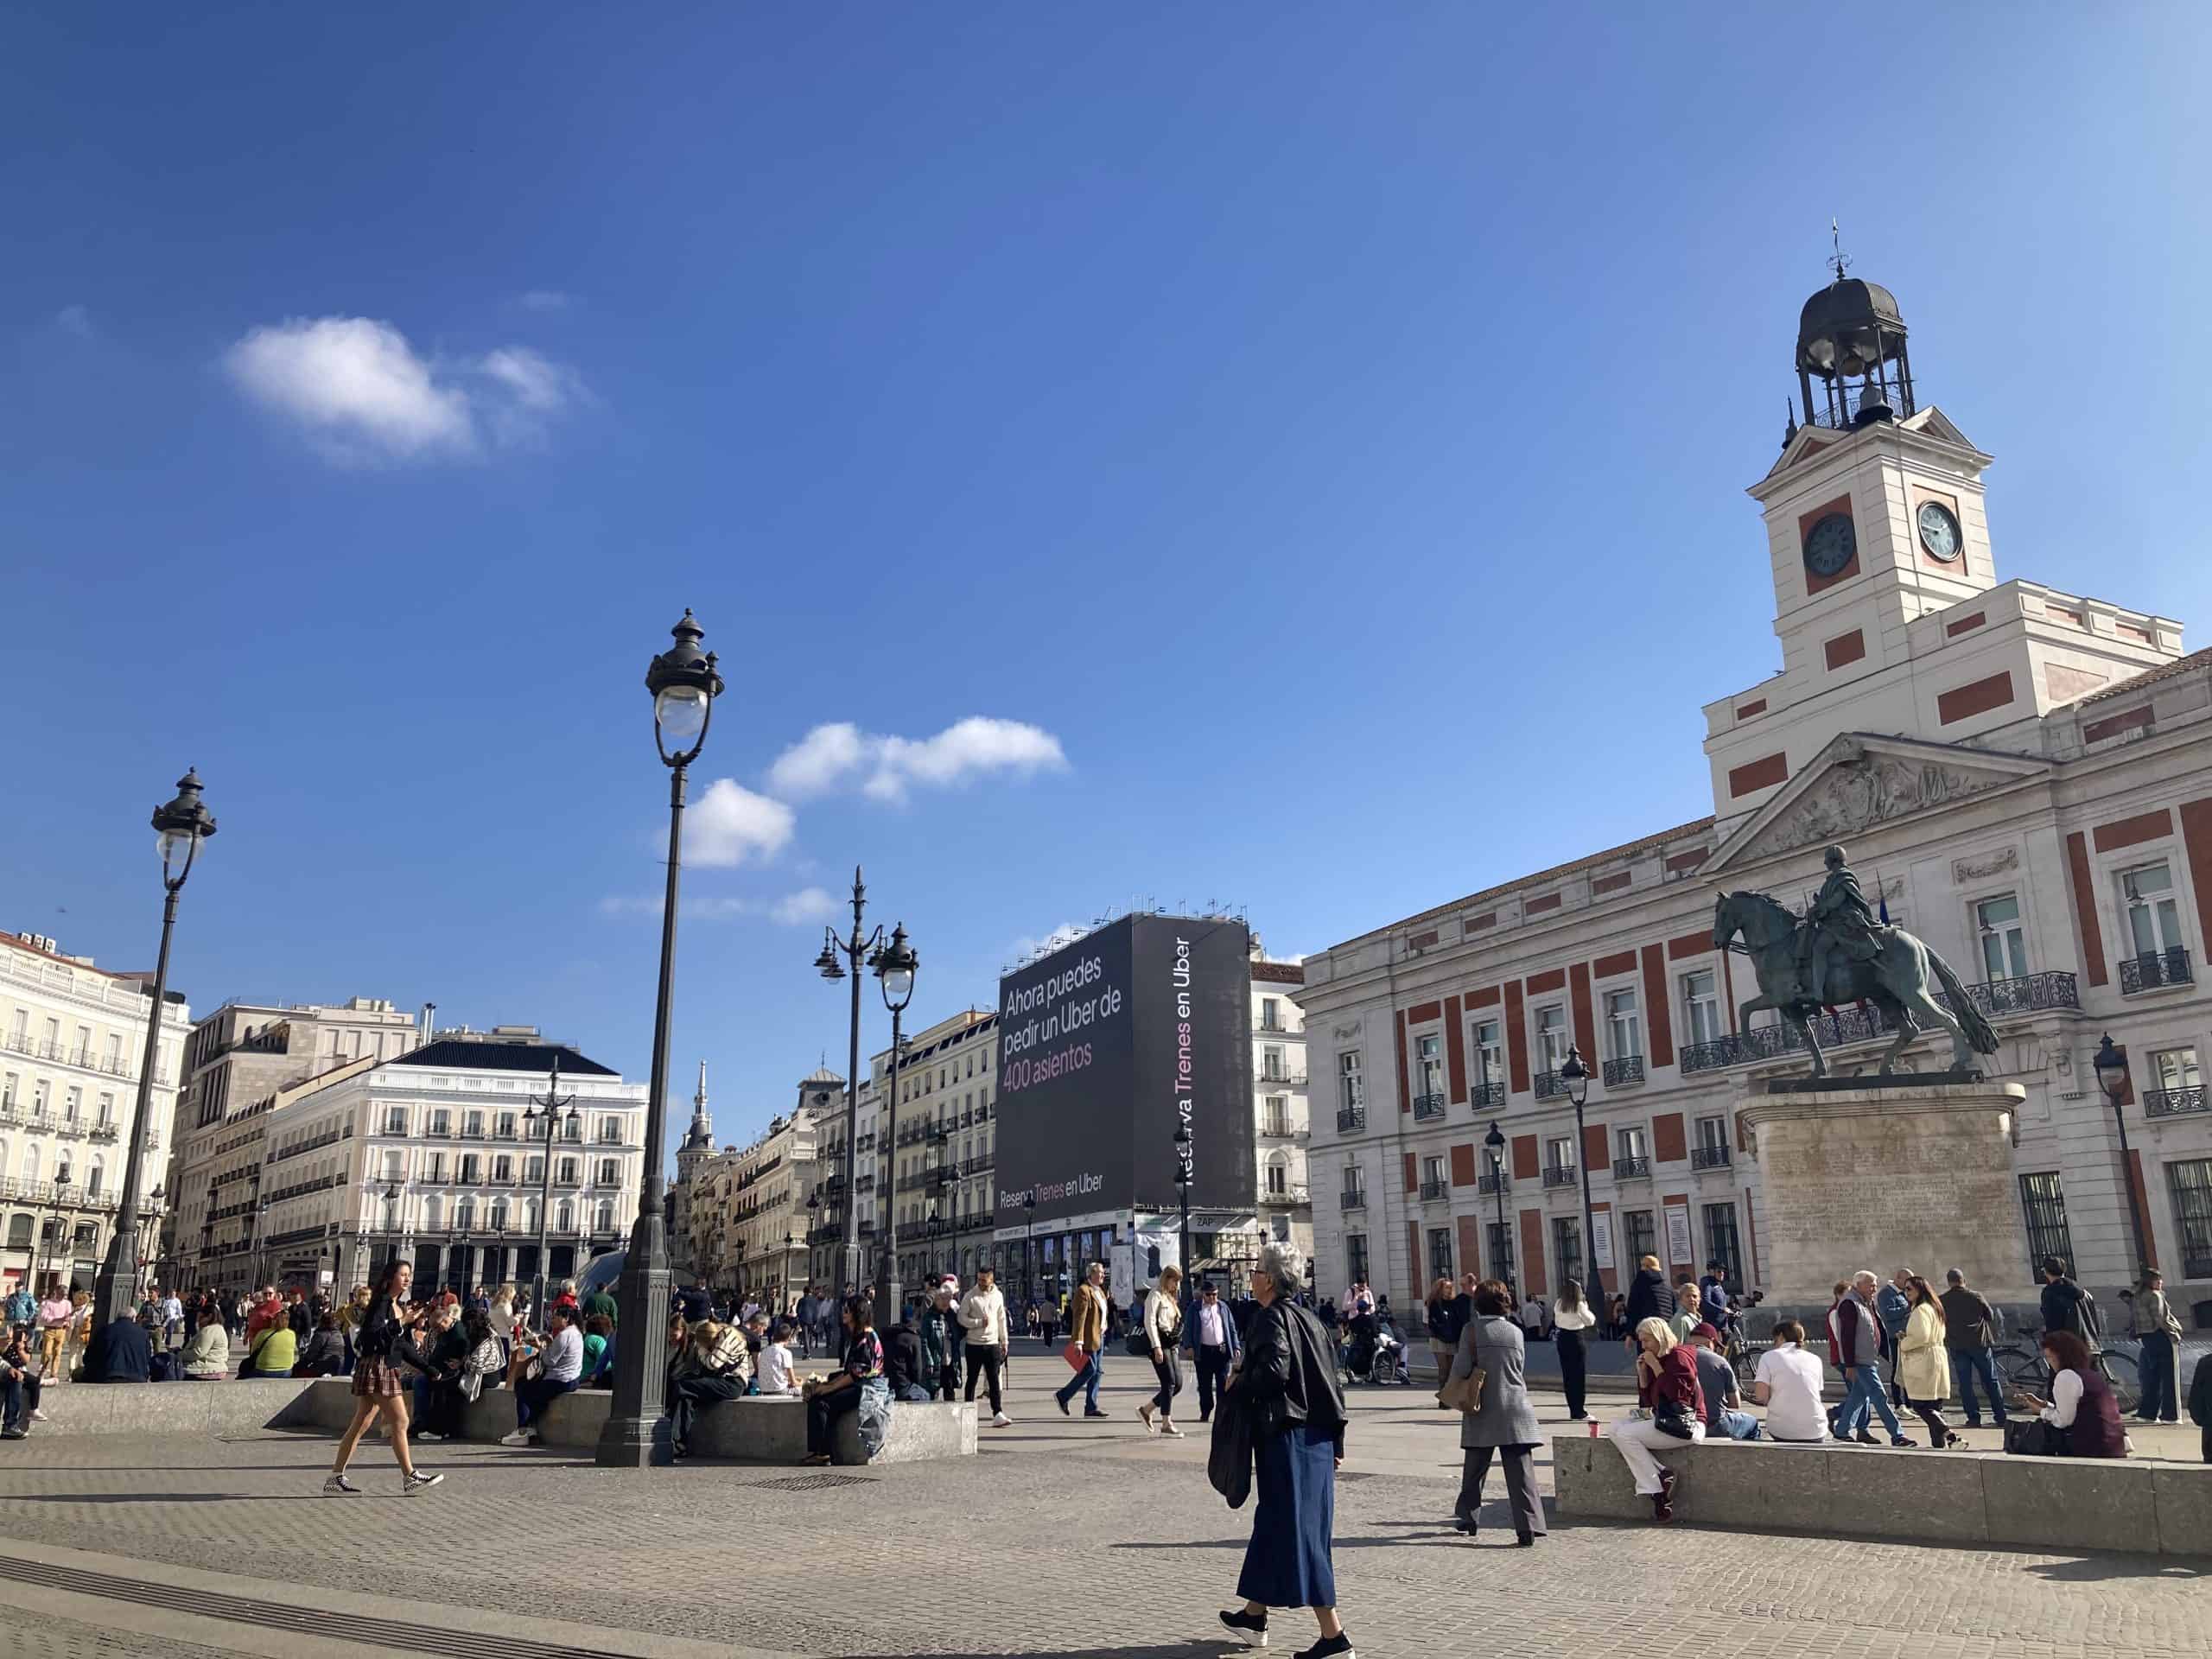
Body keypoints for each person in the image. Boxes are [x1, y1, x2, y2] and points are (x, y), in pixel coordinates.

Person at [1217, 1244, 1354, 1659]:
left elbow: (1275, 1373)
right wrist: (1337, 1442)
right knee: (1276, 1525)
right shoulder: (1312, 1320)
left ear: (1271, 1280)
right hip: (1317, 1440)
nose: (1253, 1275)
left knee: (1300, 1533)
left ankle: (1334, 1637)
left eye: (1257, 1270)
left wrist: (1237, 1381)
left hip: (1288, 1439)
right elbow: (1333, 1385)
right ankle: (1253, 1616)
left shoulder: (1271, 1317)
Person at [325, 1260, 442, 1496]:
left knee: (361, 1423)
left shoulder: (397, 1306)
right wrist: (401, 1322)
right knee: (400, 1421)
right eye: (403, 1274)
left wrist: (429, 1368)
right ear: (390, 1278)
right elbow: (371, 1336)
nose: (407, 1279)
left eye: (409, 1274)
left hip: (383, 1367)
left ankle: (335, 1478)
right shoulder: (381, 1303)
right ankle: (410, 1476)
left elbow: (402, 1346)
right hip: (377, 1366)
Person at [1448, 1279, 1545, 1545]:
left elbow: (1461, 1369)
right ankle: (1528, 1527)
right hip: (1516, 1405)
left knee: (1475, 1467)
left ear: (1477, 1304)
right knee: (1521, 1472)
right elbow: (1518, 1367)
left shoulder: (1471, 1330)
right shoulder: (1516, 1332)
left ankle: (1468, 1518)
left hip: (1483, 1406)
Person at [1605, 1318, 1704, 1522]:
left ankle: (1658, 1493)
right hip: (1665, 1421)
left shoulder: (1679, 1357)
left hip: (1687, 1425)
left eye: (1647, 1340)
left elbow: (1678, 1398)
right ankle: (1661, 1475)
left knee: (1626, 1434)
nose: (1643, 1346)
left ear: (1660, 1337)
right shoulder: (1655, 1359)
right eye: (1641, 1341)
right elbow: (1648, 1405)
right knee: (1614, 1428)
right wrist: (1643, 1376)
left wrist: (1656, 1366)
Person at [801, 1295, 885, 1466]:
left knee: (822, 1403)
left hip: (868, 1388)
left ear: (857, 1313)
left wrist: (829, 1388)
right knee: (820, 1398)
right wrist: (827, 1384)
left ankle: (823, 1453)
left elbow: (856, 1374)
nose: (843, 1313)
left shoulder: (866, 1338)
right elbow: (849, 1371)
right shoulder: (858, 1335)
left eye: (847, 1310)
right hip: (859, 1384)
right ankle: (824, 1451)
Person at [2018, 1329, 2126, 1458]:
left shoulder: (2066, 1376)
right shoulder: (2092, 1375)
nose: (2049, 1362)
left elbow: (2063, 1420)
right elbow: (2076, 1410)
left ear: (2061, 1356)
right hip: (2114, 1444)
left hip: (2090, 1447)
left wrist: (2040, 1411)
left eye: (2049, 1357)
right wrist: (2044, 1404)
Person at [1834, 1271, 1912, 1447]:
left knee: (1858, 1397)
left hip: (1868, 1359)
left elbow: (1876, 1328)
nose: (1874, 1289)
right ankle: (1897, 1435)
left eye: (1875, 1285)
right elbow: (1847, 1336)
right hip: (1860, 1361)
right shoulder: (1850, 1304)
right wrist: (1850, 1364)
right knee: (1879, 1396)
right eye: (1871, 1285)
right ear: (1858, 1285)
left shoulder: (1865, 1302)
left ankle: (1841, 1431)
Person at [664, 1313, 750, 1459]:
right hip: (719, 1380)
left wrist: (700, 1348)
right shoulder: (719, 1335)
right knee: (685, 1398)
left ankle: (668, 1428)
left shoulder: (727, 1336)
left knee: (682, 1386)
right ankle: (678, 1444)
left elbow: (713, 1363)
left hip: (733, 1383)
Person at [1937, 1268, 2005, 1429]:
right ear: (1964, 1280)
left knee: (1965, 1383)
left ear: (1949, 1282)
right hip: (1979, 1343)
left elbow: (1939, 1320)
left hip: (1957, 1345)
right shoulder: (1976, 1296)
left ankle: (1973, 1418)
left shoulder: (1942, 1300)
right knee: (1990, 1380)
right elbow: (1990, 1316)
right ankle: (2001, 1417)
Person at [1895, 1274, 1958, 1448]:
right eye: (1904, 1289)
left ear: (1920, 1290)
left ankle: (1950, 1435)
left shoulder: (1921, 1310)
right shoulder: (1934, 1308)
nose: (1906, 1292)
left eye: (1909, 1289)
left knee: (1921, 1405)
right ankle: (1939, 1445)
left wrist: (1904, 1342)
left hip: (1924, 1359)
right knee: (1933, 1405)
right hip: (1936, 1357)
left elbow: (1921, 1336)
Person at [1751, 1319, 1829, 1444]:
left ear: (1781, 1336)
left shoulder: (1768, 1357)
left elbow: (1761, 1397)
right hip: (1816, 1429)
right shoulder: (1815, 1359)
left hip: (1782, 1430)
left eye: (1774, 1339)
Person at [957, 1263, 1012, 1427]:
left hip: (993, 1344)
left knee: (994, 1380)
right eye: (979, 1279)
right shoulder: (970, 1296)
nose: (981, 1282)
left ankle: (998, 1413)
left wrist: (1005, 1341)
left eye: (984, 1280)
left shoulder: (998, 1295)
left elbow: (1001, 1319)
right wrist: (978, 1323)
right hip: (974, 1344)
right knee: (972, 1379)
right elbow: (961, 1317)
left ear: (991, 1279)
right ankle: (968, 1411)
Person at [1053, 1261, 1109, 1418]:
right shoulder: (1083, 1291)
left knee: (1097, 1372)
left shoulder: (1100, 1291)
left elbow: (1103, 1313)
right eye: (1100, 1272)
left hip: (1100, 1337)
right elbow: (1079, 1318)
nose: (1103, 1275)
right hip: (1088, 1338)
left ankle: (1091, 1407)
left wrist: (1105, 1326)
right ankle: (1063, 1396)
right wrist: (1078, 1341)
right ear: (1091, 1274)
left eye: (1103, 1272)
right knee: (1090, 1370)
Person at [1687, 1323, 1760, 1440]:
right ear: (1711, 1342)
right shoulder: (1720, 1362)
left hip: (1685, 1425)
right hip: (1715, 1426)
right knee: (1752, 1423)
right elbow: (1735, 1403)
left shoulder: (1676, 1358)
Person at [2130, 1268, 2183, 1425]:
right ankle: (2171, 1415)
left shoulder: (2138, 1296)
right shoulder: (2155, 1295)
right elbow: (2160, 1319)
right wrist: (2174, 1333)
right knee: (2170, 1377)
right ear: (2151, 1281)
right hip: (2161, 1337)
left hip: (2147, 1339)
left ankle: (2147, 1413)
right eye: (2158, 1279)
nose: (2161, 1282)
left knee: (2153, 1377)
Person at [1137, 1265, 1185, 1438]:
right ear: (1167, 1278)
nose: (1176, 1285)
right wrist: (1156, 1346)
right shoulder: (1155, 1295)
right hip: (1160, 1344)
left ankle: (1146, 1410)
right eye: (1175, 1281)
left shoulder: (1169, 1297)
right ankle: (1166, 1424)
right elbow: (1149, 1321)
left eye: (1178, 1282)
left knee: (1178, 1384)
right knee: (1168, 1382)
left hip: (1171, 1344)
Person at [1189, 1279, 1242, 1424]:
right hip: (1203, 1351)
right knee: (1204, 1385)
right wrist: (1189, 1346)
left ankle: (1222, 1413)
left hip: (1221, 1350)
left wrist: (1236, 1346)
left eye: (1215, 1294)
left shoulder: (1223, 1307)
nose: (1212, 1297)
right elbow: (1188, 1328)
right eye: (1209, 1295)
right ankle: (1205, 1411)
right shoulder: (1195, 1308)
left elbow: (1231, 1327)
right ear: (1203, 1294)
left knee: (1223, 1384)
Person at [1551, 1278, 1597, 1422]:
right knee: (1578, 1375)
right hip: (1576, 1338)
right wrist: (1586, 1308)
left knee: (1568, 1376)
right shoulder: (1579, 1304)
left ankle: (1573, 1409)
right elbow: (1590, 1321)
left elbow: (1557, 1321)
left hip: (1562, 1338)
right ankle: (1579, 1411)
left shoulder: (1559, 1303)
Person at [2038, 1256, 2102, 1349]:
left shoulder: (2050, 1292)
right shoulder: (2084, 1292)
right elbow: (2094, 1320)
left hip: (2067, 1346)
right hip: (2090, 1344)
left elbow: (2052, 1321)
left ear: (2045, 1272)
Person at [917, 1278, 965, 1402]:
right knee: (932, 1392)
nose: (945, 1303)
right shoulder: (929, 1317)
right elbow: (924, 1340)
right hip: (935, 1360)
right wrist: (928, 1360)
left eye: (948, 1300)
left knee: (950, 1392)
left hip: (950, 1360)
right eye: (943, 1299)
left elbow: (960, 1333)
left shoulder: (952, 1316)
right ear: (936, 1300)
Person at [0, 1326, 45, 1437]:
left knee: (18, 1378)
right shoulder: (8, 1345)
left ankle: (10, 1426)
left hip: (16, 1371)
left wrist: (19, 1350)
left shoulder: (23, 1347)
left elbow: (26, 1360)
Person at [1623, 1255, 1674, 1353]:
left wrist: (1630, 1334)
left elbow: (1633, 1309)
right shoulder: (1667, 1285)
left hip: (1647, 1328)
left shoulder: (1639, 1282)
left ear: (1644, 1267)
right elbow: (1673, 1308)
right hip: (1665, 1328)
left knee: (1647, 1359)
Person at [1422, 1277, 1460, 1382]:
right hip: (1437, 1338)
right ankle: (1442, 1390)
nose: (1449, 1290)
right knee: (1443, 1368)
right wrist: (1433, 1331)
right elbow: (1426, 1321)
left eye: (1451, 1287)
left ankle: (1448, 1390)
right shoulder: (1432, 1303)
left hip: (1451, 1337)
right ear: (1439, 1289)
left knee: (1450, 1369)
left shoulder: (1453, 1303)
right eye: (1446, 1287)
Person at [293, 1313, 350, 1378]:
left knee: (299, 1372)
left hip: (323, 1366)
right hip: (338, 1367)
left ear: (321, 1322)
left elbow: (311, 1355)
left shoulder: (321, 1335)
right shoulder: (338, 1334)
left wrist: (298, 1365)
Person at [181, 1310, 232, 1380]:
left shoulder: (208, 1331)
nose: (198, 1321)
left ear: (209, 1316)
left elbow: (198, 1353)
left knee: (172, 1368)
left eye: (200, 1318)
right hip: (217, 1367)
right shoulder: (219, 1328)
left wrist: (179, 1355)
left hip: (207, 1369)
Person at [35, 1286, 72, 1376]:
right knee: (47, 1352)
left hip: (61, 1330)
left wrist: (68, 1320)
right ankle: (43, 1371)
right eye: (62, 1294)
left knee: (57, 1353)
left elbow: (68, 1316)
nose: (64, 1296)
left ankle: (54, 1373)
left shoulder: (67, 1303)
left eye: (65, 1294)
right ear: (56, 1292)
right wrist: (57, 1319)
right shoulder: (47, 1303)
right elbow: (44, 1317)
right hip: (49, 1329)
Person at [758, 1320, 798, 1395]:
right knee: (804, 1390)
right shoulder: (785, 1352)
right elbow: (793, 1382)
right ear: (788, 1337)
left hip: (763, 1389)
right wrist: (799, 1383)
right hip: (780, 1389)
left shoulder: (764, 1351)